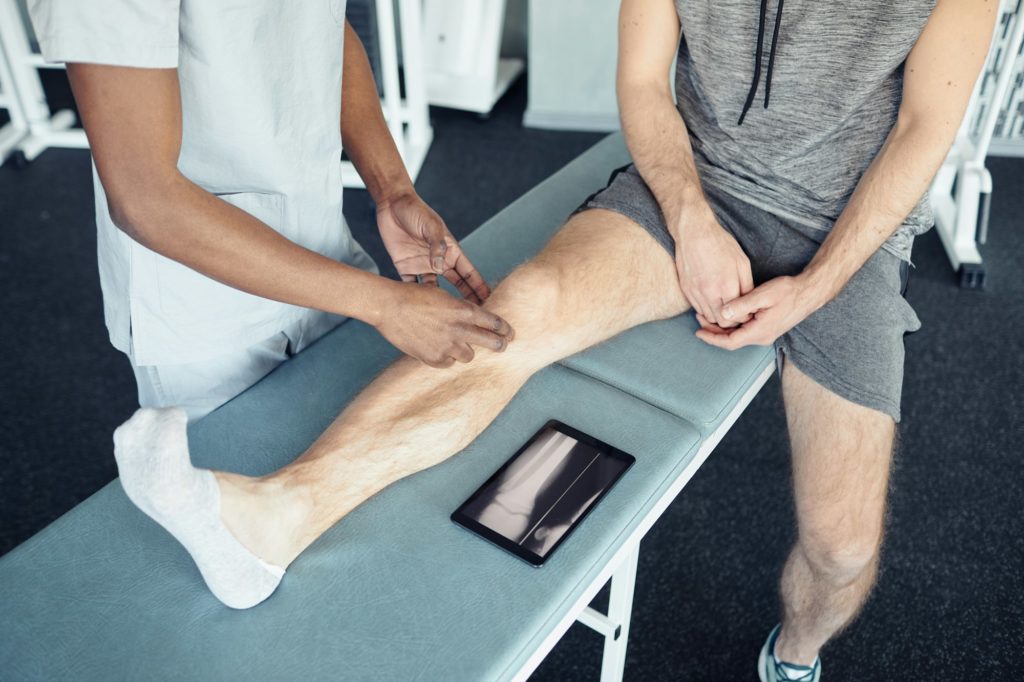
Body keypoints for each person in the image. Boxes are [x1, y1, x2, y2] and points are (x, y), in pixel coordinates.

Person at [109, 0, 995, 679]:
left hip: (848, 236)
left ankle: (794, 655)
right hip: (692, 190)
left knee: (842, 547)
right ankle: (271, 521)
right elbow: (644, 83)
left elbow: (925, 129)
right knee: (519, 312)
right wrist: (690, 219)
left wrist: (815, 286)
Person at [28, 0, 513, 421]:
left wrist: (393, 190)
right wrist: (384, 305)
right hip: (204, 301)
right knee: (252, 484)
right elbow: (144, 199)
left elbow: (322, 27)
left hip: (323, 246)